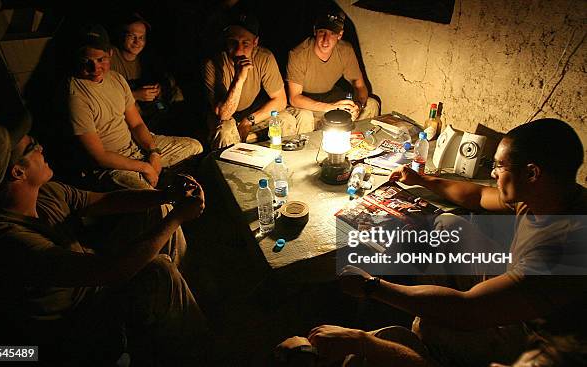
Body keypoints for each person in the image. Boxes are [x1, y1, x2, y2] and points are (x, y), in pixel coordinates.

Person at [277, 118, 587, 366]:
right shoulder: (542, 196)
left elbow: (469, 310)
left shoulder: (566, 246)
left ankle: (439, 341)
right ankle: (429, 297)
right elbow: (477, 195)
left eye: (499, 166)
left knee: (428, 325)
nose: (492, 174)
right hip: (517, 286)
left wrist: (372, 287)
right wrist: (422, 180)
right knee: (446, 223)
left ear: (532, 173)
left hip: (538, 339)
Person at [0, 120, 208, 366]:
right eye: (32, 146)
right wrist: (177, 216)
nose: (41, 147)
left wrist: (167, 195)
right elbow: (111, 272)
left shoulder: (45, 193)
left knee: (157, 213)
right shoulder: (9, 241)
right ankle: (198, 352)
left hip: (91, 281)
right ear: (17, 172)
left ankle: (171, 313)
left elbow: (106, 202)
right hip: (74, 325)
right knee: (159, 272)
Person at [68, 24, 203, 191]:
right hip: (112, 166)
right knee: (154, 204)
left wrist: (153, 152)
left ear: (110, 53)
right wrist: (145, 167)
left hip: (136, 148)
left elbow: (136, 124)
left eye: (101, 59)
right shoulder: (75, 95)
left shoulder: (116, 79)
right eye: (86, 61)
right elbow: (99, 156)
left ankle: (165, 183)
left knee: (195, 147)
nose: (95, 68)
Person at [203, 13, 314, 149]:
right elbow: (223, 114)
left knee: (286, 120)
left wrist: (249, 120)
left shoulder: (263, 58)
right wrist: (239, 78)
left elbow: (280, 100)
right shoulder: (213, 64)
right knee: (225, 132)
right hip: (223, 117)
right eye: (233, 42)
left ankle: (279, 163)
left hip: (250, 111)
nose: (239, 50)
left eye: (245, 43)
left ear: (255, 42)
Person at [286, 10, 380, 129]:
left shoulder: (345, 50)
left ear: (340, 35)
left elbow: (359, 85)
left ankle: (360, 143)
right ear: (315, 31)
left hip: (330, 95)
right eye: (322, 32)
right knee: (305, 117)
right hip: (305, 101)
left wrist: (358, 105)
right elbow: (295, 98)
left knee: (371, 104)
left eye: (332, 33)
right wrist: (331, 107)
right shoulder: (298, 54)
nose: (326, 39)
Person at [110, 13, 186, 134]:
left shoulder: (146, 57)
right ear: (121, 35)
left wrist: (158, 89)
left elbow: (162, 78)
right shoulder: (110, 57)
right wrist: (134, 95)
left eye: (141, 38)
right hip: (123, 111)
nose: (137, 42)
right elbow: (104, 95)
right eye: (132, 36)